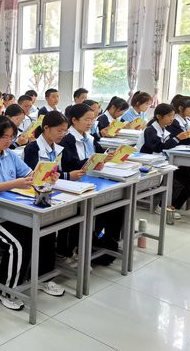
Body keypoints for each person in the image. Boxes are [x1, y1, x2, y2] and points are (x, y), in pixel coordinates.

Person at [0, 116, 64, 310]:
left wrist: (46, 177)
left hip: (10, 209)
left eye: (11, 137)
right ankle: (5, 289)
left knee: (42, 231)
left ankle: (40, 277)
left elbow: (29, 175)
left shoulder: (8, 154)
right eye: (5, 137)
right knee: (17, 244)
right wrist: (15, 183)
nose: (9, 141)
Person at [57, 104, 110, 263]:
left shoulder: (89, 137)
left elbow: (99, 153)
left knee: (108, 209)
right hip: (73, 184)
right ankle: (67, 250)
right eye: (87, 119)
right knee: (77, 216)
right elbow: (68, 164)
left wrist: (104, 158)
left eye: (92, 119)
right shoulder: (67, 139)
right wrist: (90, 161)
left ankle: (88, 243)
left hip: (91, 181)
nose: (90, 123)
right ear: (74, 120)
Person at [138, 103, 190, 219]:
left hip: (162, 163)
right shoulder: (150, 130)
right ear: (159, 116)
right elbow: (158, 147)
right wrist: (177, 138)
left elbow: (167, 146)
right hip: (148, 165)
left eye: (173, 116)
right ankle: (163, 206)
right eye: (169, 116)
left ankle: (172, 206)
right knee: (181, 182)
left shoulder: (164, 130)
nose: (172, 119)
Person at [23, 111, 77, 181]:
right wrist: (67, 176)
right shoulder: (32, 148)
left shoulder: (59, 148)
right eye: (59, 131)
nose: (62, 134)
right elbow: (35, 174)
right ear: (46, 128)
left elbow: (71, 164)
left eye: (65, 131)